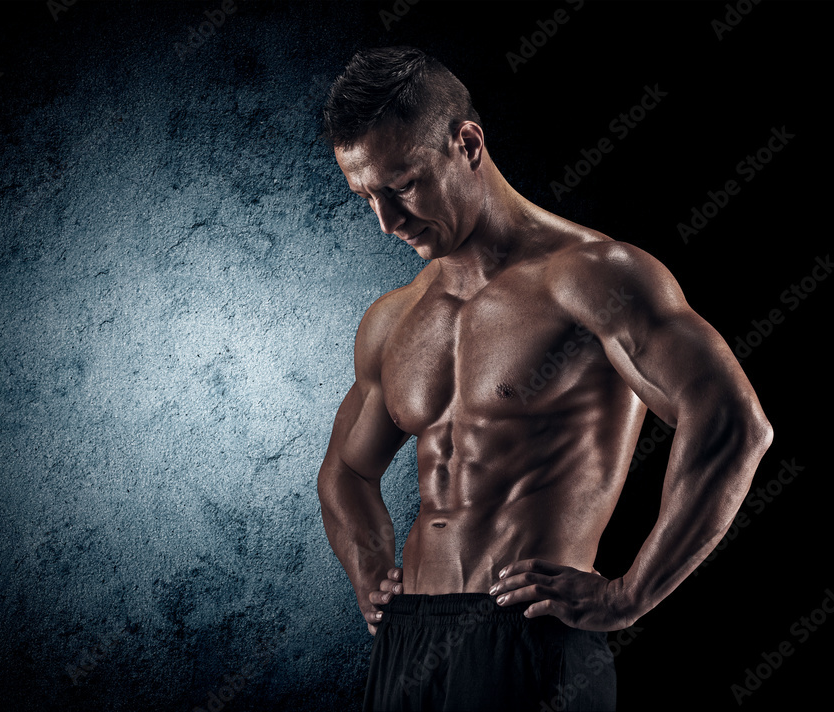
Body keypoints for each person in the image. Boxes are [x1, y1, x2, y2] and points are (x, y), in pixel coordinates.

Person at [315, 46, 773, 711]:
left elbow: (732, 423)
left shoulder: (592, 276)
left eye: (405, 183)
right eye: (367, 197)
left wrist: (630, 593)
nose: (387, 221)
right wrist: (365, 565)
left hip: (529, 640)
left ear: (468, 144)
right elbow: (345, 473)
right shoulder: (395, 319)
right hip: (408, 644)